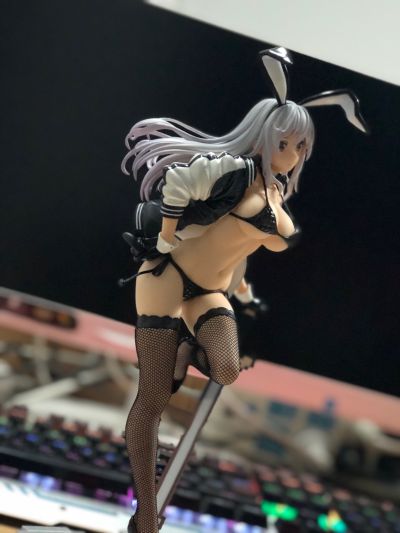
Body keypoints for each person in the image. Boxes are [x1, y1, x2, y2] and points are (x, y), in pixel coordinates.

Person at [120, 48, 367, 532]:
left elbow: (243, 244)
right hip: (168, 278)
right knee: (152, 399)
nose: (292, 153)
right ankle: (146, 514)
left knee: (227, 369)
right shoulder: (234, 170)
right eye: (285, 143)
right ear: (265, 136)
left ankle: (186, 350)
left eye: (301, 146)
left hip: (211, 290)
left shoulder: (277, 191)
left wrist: (244, 291)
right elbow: (177, 183)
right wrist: (167, 235)